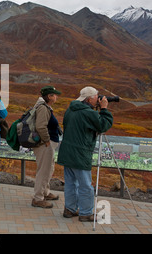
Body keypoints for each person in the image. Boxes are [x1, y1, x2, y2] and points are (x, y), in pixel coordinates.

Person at [57, 86, 113, 222]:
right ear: (89, 99)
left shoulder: (71, 109)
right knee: (85, 185)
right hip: (80, 153)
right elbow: (103, 125)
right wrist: (104, 109)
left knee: (70, 183)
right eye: (96, 97)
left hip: (67, 152)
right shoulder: (88, 113)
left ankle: (69, 209)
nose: (98, 99)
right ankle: (86, 213)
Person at [31, 86, 62, 208]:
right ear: (49, 96)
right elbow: (40, 126)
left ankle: (45, 192)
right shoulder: (43, 108)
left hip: (47, 144)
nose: (56, 97)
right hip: (44, 145)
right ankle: (38, 198)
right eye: (54, 95)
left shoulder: (45, 107)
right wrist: (47, 141)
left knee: (48, 169)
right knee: (43, 171)